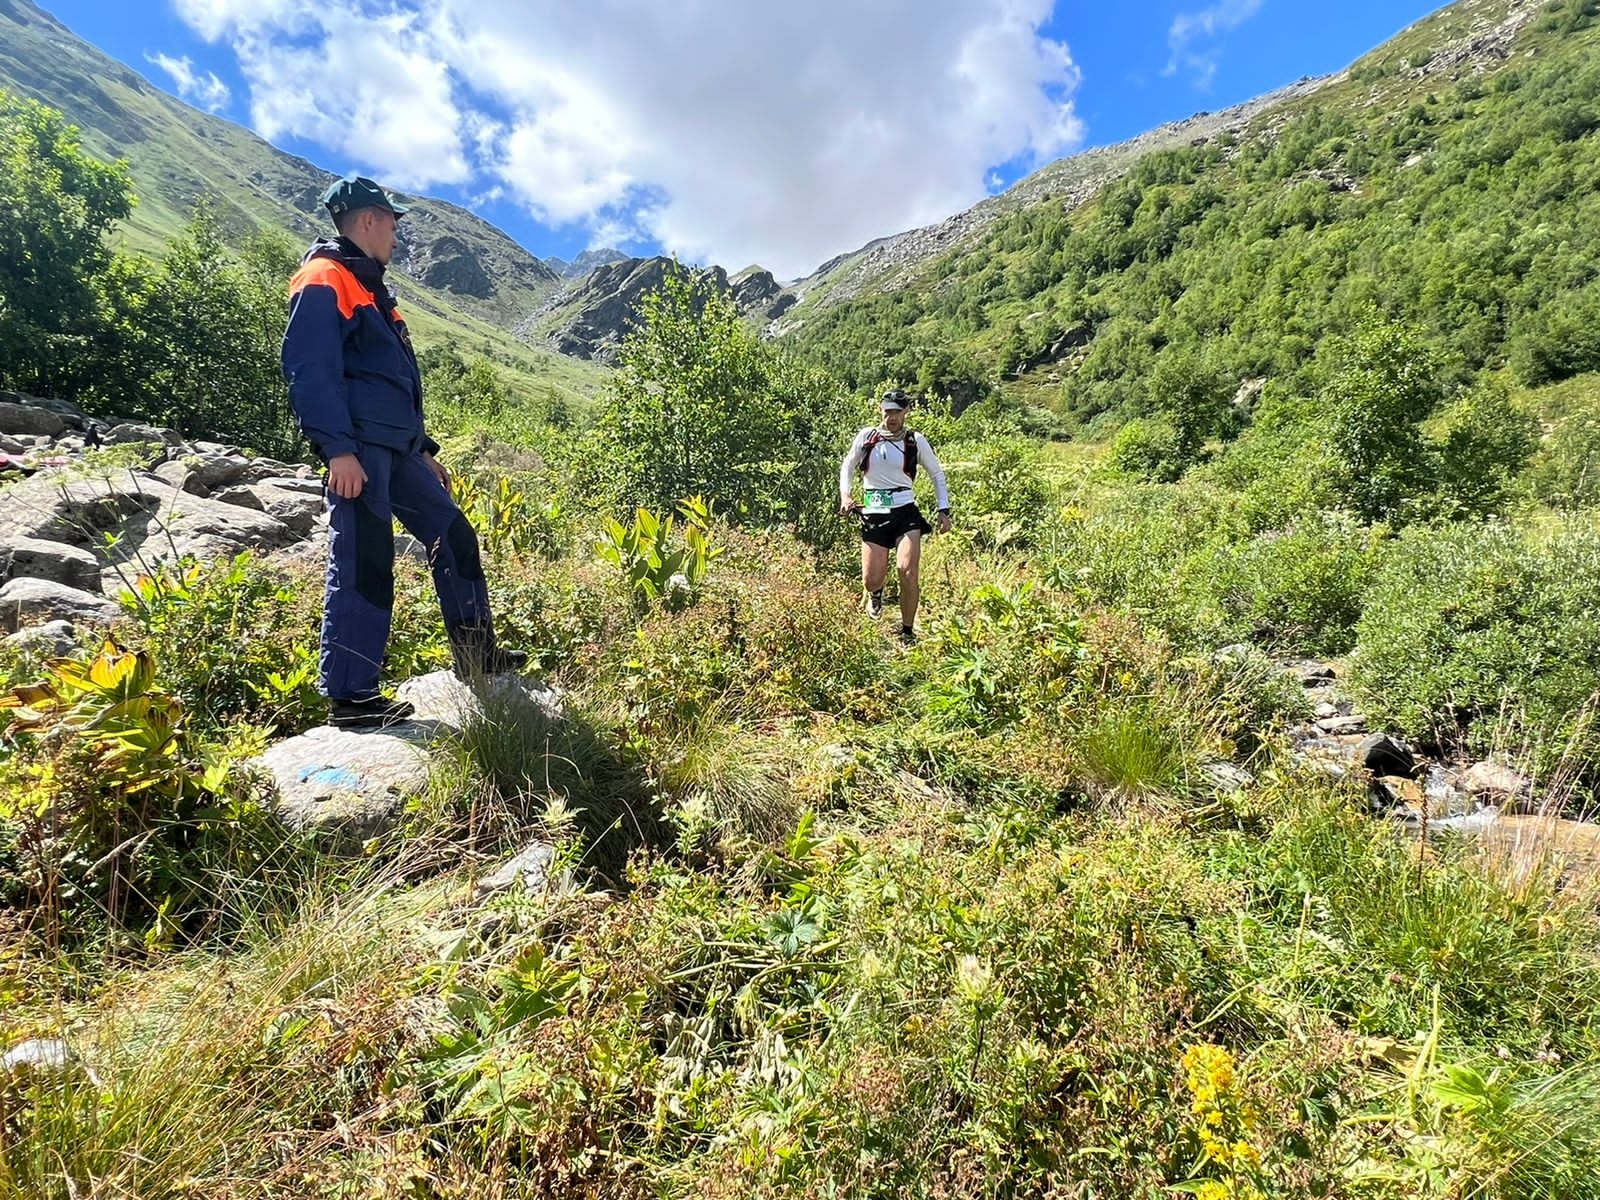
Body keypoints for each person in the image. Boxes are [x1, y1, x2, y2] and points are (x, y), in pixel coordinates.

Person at [281, 174, 525, 728]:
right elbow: (310, 370)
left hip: (398, 450)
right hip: (360, 451)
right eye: (392, 222)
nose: (397, 233)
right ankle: (352, 696)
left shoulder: (369, 286)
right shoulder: (325, 277)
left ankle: (475, 654)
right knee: (365, 557)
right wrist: (337, 450)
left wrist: (423, 450)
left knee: (453, 534)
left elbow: (390, 383)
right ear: (369, 219)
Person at [838, 388, 952, 642]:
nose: (892, 417)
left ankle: (907, 631)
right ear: (881, 410)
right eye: (888, 411)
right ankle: (875, 594)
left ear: (906, 412)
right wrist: (846, 495)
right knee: (870, 579)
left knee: (907, 570)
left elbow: (937, 474)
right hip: (875, 508)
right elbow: (848, 464)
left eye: (897, 412)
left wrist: (943, 509)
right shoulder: (868, 436)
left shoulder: (915, 440)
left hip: (905, 510)